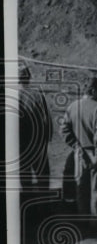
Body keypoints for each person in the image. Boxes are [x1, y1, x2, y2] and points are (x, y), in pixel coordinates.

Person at [60, 75, 97, 230]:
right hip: (96, 154)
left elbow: (64, 130)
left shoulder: (72, 106)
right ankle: (96, 223)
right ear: (94, 90)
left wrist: (76, 146)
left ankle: (83, 221)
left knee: (81, 188)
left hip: (79, 153)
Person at [17, 62, 53, 191]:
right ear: (29, 77)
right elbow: (46, 118)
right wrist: (48, 137)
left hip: (22, 145)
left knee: (25, 178)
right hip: (38, 143)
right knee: (43, 177)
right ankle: (44, 207)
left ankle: (29, 206)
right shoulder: (37, 95)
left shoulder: (13, 96)